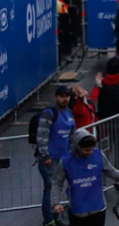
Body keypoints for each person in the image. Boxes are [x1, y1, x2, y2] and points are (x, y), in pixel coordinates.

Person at [51, 130, 119, 226]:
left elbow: (111, 171)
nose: (90, 152)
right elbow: (57, 183)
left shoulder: (98, 155)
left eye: (91, 149)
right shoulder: (66, 161)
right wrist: (56, 203)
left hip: (98, 209)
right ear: (78, 146)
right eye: (87, 150)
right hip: (78, 211)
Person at [37, 86, 76, 226]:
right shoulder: (49, 113)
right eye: (62, 96)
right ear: (56, 97)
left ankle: (57, 218)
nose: (65, 99)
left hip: (64, 158)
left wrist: (72, 154)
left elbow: (71, 137)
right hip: (50, 159)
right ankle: (49, 221)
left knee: (57, 188)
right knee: (50, 189)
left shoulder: (69, 113)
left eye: (67, 96)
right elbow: (41, 135)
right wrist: (45, 156)